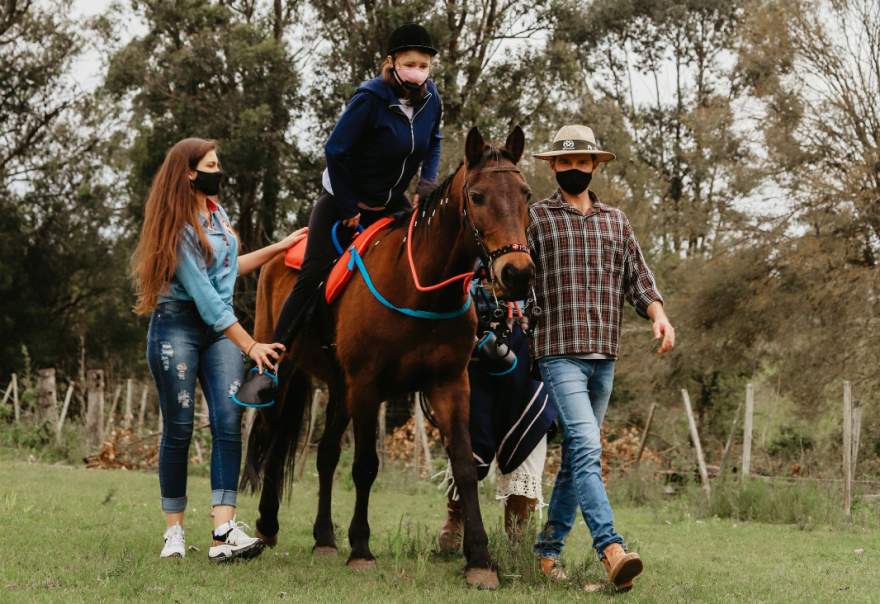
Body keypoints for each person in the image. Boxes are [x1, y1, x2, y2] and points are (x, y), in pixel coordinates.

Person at [236, 23, 443, 405]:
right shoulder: (369, 98)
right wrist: (348, 208)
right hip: (341, 199)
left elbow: (434, 143)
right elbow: (335, 150)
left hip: (391, 201)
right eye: (410, 63)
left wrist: (427, 185)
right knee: (312, 273)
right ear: (393, 62)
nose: (418, 70)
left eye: (424, 64)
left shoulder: (432, 99)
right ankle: (268, 367)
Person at [131, 137, 306, 561]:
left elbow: (228, 269)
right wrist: (252, 344)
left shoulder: (217, 212)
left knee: (229, 421)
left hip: (218, 332)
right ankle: (174, 531)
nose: (218, 170)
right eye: (211, 164)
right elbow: (206, 298)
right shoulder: (176, 226)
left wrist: (278, 248)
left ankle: (223, 531)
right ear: (189, 172)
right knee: (180, 426)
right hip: (178, 329)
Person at [527, 125, 675, 591]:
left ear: (595, 165)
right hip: (557, 351)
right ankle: (611, 548)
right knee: (588, 448)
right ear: (553, 166)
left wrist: (659, 315)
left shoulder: (616, 221)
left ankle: (546, 556)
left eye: (582, 162)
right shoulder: (534, 220)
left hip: (604, 355)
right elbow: (512, 278)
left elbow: (639, 279)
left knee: (576, 457)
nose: (574, 169)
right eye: (565, 163)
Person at [437, 270, 556, 549]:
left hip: (527, 341)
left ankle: (516, 537)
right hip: (472, 338)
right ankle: (457, 517)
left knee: (528, 435)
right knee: (466, 433)